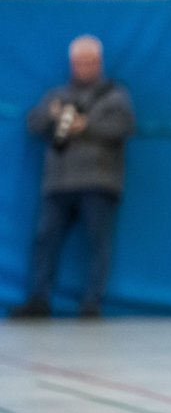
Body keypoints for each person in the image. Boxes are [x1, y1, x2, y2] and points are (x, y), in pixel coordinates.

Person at [10, 35, 136, 319]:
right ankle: (39, 300)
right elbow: (34, 123)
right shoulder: (56, 95)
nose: (84, 67)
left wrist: (85, 127)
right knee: (45, 240)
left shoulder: (115, 96)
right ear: (71, 64)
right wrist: (54, 117)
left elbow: (123, 127)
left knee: (97, 243)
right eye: (79, 62)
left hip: (99, 181)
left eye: (90, 61)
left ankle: (92, 304)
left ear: (100, 63)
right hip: (58, 183)